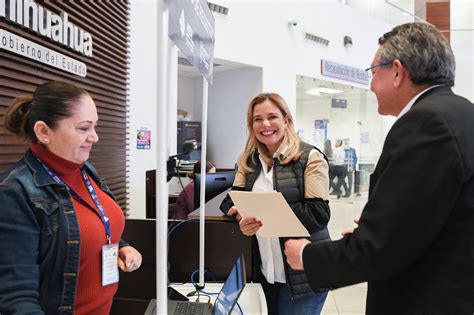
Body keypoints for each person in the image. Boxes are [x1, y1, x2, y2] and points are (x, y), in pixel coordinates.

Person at [284, 22, 474, 314]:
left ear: (397, 71)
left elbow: (380, 249)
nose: (370, 84)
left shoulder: (425, 124)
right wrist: (384, 225)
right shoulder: (463, 114)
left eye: (373, 72)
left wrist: (307, 256)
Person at [0, 81, 142, 314]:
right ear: (44, 132)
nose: (94, 137)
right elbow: (17, 299)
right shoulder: (15, 193)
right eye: (84, 128)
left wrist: (121, 246)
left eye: (95, 126)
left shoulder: (86, 170)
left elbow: (87, 225)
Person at [220, 93, 331, 314]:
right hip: (264, 272)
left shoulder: (310, 157)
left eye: (272, 116)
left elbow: (319, 213)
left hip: (304, 273)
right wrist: (239, 216)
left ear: (286, 120)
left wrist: (267, 210)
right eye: (257, 119)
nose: (265, 124)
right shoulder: (248, 160)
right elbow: (230, 200)